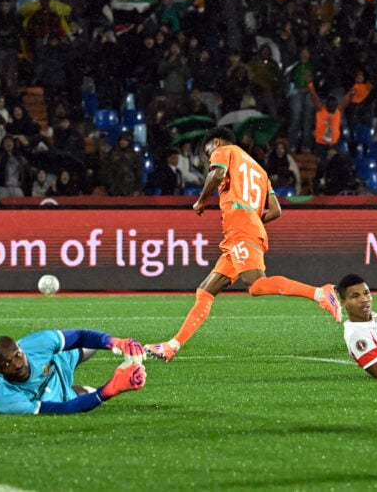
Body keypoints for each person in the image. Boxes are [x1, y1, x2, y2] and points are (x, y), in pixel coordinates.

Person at [143, 127, 341, 363]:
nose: (209, 158)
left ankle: (321, 293)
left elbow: (216, 175)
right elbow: (276, 211)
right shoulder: (260, 170)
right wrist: (253, 220)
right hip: (244, 228)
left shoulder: (223, 150)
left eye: (208, 153)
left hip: (240, 226)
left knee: (256, 285)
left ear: (215, 142)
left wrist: (201, 201)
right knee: (205, 291)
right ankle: (172, 346)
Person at [0, 330, 147, 414]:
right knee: (86, 394)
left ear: (21, 348)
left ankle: (141, 350)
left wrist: (116, 342)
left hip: (58, 362)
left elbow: (81, 336)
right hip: (51, 395)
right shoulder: (7, 401)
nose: (16, 364)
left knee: (92, 345)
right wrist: (109, 390)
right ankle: (76, 390)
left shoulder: (37, 342)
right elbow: (66, 409)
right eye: (7, 364)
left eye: (17, 356)